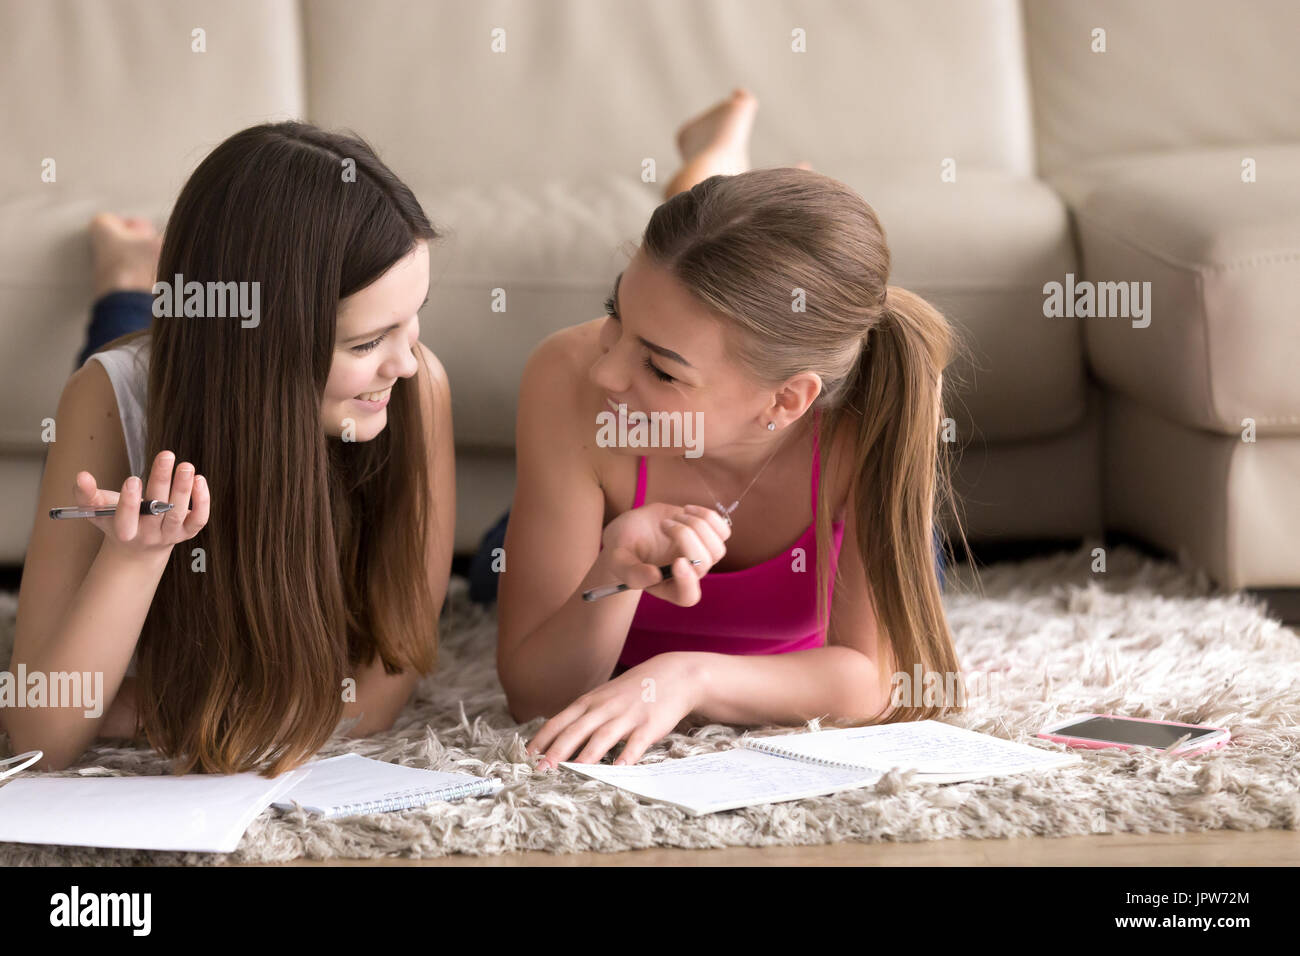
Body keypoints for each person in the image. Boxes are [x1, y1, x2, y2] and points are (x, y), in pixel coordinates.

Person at [494, 89, 970, 770]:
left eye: (659, 368)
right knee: (492, 570)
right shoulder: (569, 377)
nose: (607, 375)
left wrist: (689, 677)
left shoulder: (882, 411)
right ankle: (718, 170)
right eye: (614, 315)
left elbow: (874, 679)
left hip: (840, 495)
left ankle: (741, 173)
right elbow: (535, 695)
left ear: (787, 401)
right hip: (579, 524)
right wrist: (613, 572)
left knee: (928, 565)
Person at [5, 122, 456, 776]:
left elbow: (381, 691)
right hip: (171, 386)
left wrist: (171, 711)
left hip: (196, 362)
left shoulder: (419, 388)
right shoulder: (105, 400)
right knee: (123, 352)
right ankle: (126, 279)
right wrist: (134, 558)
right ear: (261, 350)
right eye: (366, 344)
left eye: (413, 319)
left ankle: (134, 282)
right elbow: (39, 737)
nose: (406, 363)